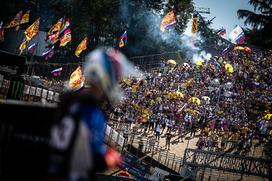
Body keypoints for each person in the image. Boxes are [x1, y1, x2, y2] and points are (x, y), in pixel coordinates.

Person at [47, 47, 140, 180]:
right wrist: (109, 158)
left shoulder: (68, 102)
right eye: (116, 78)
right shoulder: (93, 112)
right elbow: (94, 159)